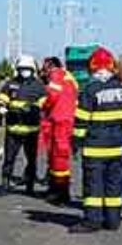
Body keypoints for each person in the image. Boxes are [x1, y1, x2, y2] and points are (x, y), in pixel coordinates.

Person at [69, 48, 122, 233]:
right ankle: (112, 220)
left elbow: (81, 121)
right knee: (113, 186)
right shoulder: (121, 89)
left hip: (94, 148)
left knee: (93, 186)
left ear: (92, 67)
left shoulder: (90, 90)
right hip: (115, 147)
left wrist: (75, 144)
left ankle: (92, 221)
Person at [0, 55, 46, 196]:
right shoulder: (11, 84)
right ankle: (5, 184)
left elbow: (45, 103)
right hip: (13, 129)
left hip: (31, 130)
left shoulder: (38, 86)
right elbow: (2, 98)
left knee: (31, 160)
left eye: (27, 69)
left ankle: (29, 186)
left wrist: (33, 108)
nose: (25, 71)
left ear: (33, 69)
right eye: (22, 69)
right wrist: (1, 107)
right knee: (9, 158)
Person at [40, 65, 78, 205]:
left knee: (58, 158)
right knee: (59, 157)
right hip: (67, 120)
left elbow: (53, 96)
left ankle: (60, 192)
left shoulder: (56, 74)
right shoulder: (70, 78)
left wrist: (43, 106)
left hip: (59, 121)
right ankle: (57, 189)